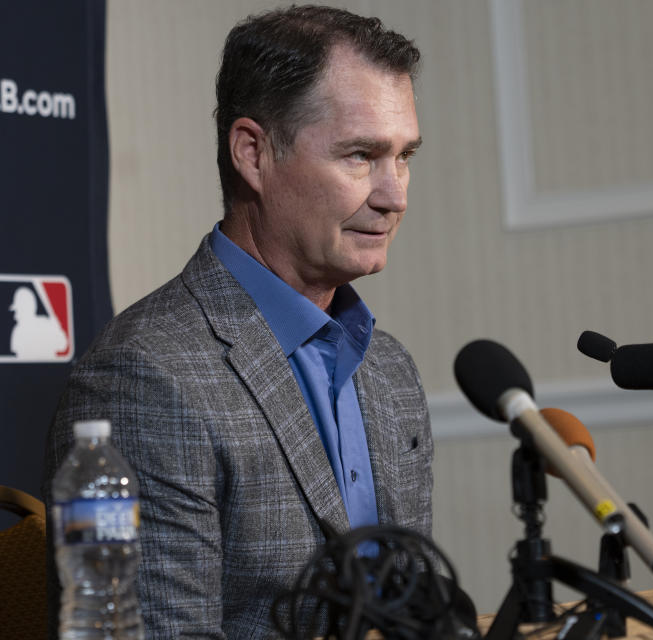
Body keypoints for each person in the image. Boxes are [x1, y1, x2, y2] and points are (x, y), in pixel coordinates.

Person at [44, 5, 432, 637]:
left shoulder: (390, 371)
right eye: (361, 155)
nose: (395, 195)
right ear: (253, 154)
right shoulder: (145, 379)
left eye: (405, 155)